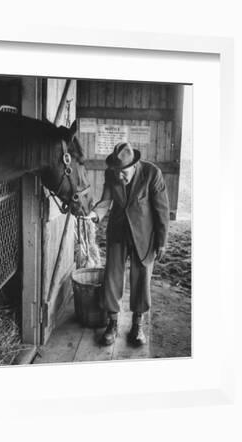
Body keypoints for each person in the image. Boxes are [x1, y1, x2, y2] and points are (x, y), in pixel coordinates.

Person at [84, 141, 169, 346]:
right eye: (116, 172)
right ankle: (112, 324)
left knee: (141, 279)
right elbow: (106, 200)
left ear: (134, 166)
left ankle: (137, 325)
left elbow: (162, 210)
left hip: (144, 234)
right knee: (112, 277)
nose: (119, 176)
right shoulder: (111, 173)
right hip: (118, 232)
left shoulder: (152, 173)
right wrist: (95, 214)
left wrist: (162, 241)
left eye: (123, 172)